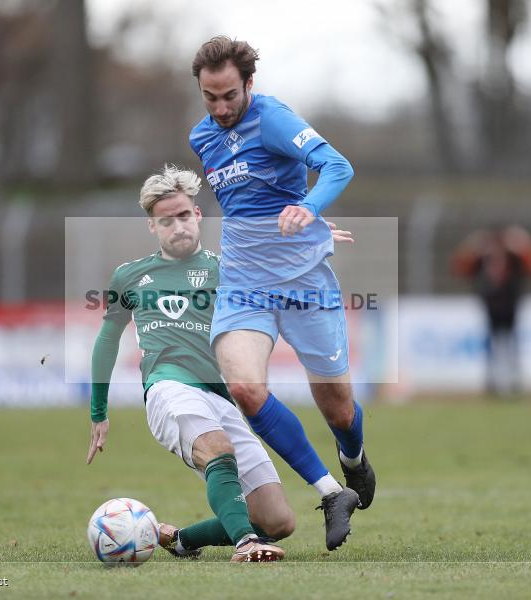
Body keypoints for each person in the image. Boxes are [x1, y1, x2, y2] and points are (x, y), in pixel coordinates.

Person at [188, 36, 375, 551]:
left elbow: (337, 166)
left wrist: (310, 211)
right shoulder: (200, 138)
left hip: (305, 282)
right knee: (245, 389)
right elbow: (248, 205)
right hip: (244, 285)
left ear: (250, 83)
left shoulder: (273, 119)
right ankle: (331, 492)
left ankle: (353, 460)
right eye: (211, 97)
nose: (221, 108)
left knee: (338, 409)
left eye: (230, 95)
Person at [88, 165, 304, 562]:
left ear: (198, 215)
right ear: (152, 227)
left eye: (184, 216)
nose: (178, 226)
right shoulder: (130, 276)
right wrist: (98, 411)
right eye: (165, 220)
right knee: (216, 450)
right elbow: (106, 340)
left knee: (278, 521)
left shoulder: (227, 270)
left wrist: (313, 240)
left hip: (220, 396)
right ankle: (246, 544)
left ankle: (181, 539)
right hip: (167, 387)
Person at [452, 226, 531, 396]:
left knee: (511, 347)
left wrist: (523, 245)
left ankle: (514, 382)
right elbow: (460, 268)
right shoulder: (482, 260)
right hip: (491, 309)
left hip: (511, 308)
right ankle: (493, 383)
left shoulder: (514, 259)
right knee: (492, 347)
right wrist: (472, 248)